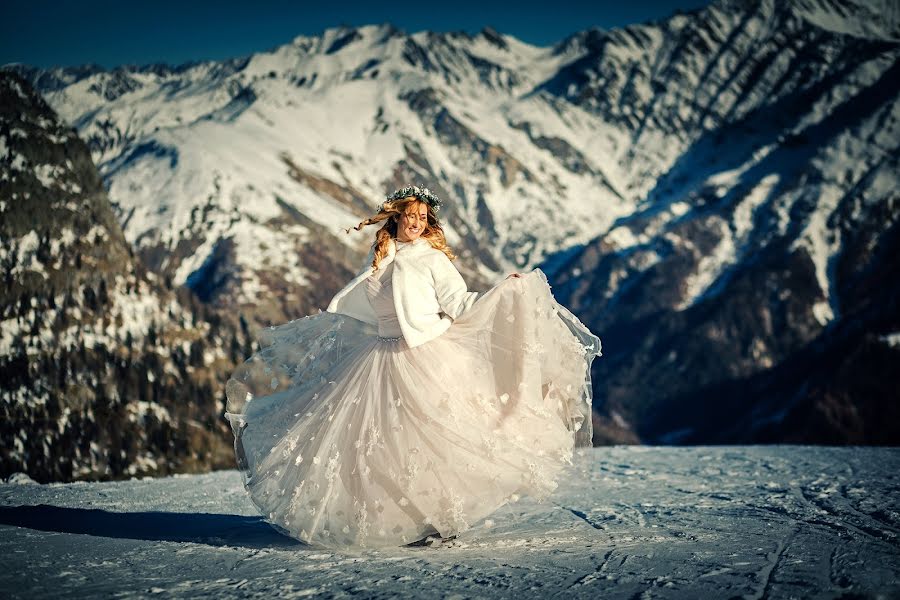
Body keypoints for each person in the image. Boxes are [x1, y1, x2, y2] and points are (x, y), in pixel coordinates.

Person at [224, 185, 602, 550]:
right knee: (379, 444)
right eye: (411, 215)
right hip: (378, 356)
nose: (417, 222)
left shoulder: (433, 259)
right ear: (396, 217)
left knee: (439, 438)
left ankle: (445, 518)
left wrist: (503, 292)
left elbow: (460, 302)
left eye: (423, 217)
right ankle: (400, 519)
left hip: (425, 356)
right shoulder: (381, 254)